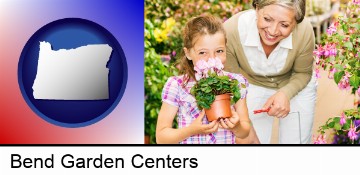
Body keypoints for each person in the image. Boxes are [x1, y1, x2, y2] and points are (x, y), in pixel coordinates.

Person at [224, 0, 317, 144]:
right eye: (267, 19)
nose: (273, 31)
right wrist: (244, 122)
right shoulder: (231, 31)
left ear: (295, 23)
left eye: (284, 25)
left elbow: (302, 73)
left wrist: (285, 93)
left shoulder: (304, 31)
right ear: (257, 9)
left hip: (296, 83)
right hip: (249, 85)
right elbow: (232, 81)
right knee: (252, 140)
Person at [156, 15, 258, 144]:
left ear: (226, 49)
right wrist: (192, 130)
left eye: (219, 51)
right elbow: (161, 138)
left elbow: (245, 131)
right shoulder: (177, 85)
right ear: (188, 53)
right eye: (203, 52)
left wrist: (236, 126)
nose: (212, 59)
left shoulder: (236, 82)